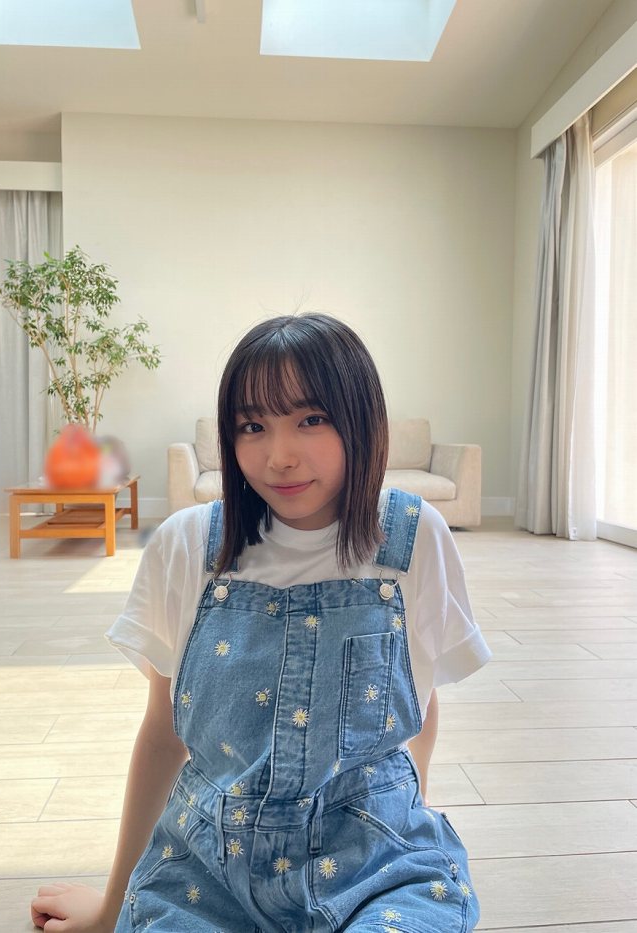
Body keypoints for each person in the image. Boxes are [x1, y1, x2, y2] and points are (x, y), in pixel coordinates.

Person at [31, 313, 491, 933]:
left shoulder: (412, 539)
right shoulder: (187, 546)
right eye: (253, 427)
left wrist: (404, 833)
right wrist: (112, 912)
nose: (279, 457)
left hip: (378, 865)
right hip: (206, 872)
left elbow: (420, 706)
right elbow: (164, 734)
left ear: (361, 421)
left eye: (311, 419)